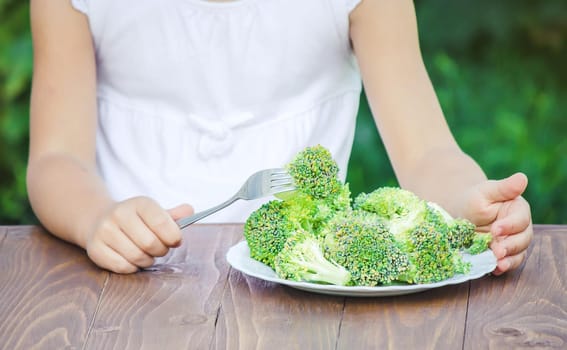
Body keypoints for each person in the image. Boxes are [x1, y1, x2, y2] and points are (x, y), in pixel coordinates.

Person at [27, 0, 533, 275]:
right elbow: (55, 158)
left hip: (303, 294)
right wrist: (95, 219)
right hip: (125, 287)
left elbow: (427, 152)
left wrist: (469, 200)